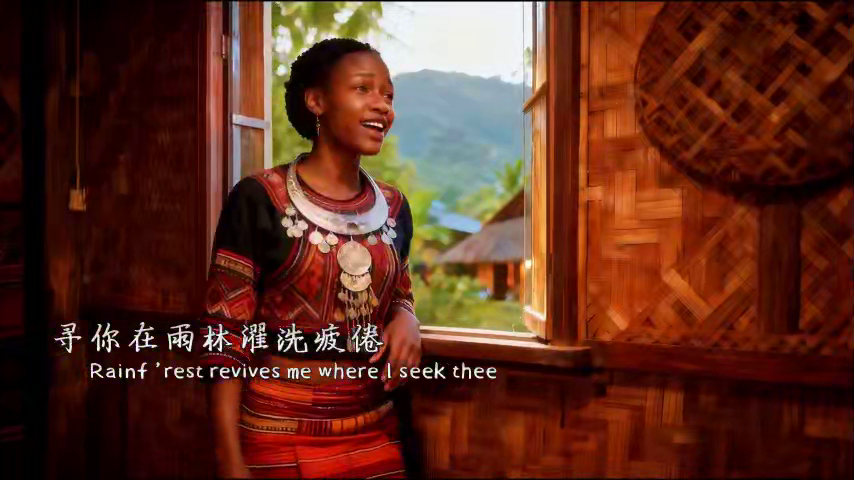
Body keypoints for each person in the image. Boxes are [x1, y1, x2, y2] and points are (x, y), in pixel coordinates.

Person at [199, 38, 423, 479]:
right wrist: (229, 460)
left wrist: (407, 316)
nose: (382, 106)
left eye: (389, 95)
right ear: (316, 101)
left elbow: (399, 291)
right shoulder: (259, 199)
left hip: (376, 430)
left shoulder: (394, 207)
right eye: (363, 89)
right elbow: (224, 334)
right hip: (279, 433)